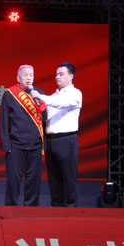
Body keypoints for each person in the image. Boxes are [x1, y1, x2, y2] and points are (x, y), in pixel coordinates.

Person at [31, 62, 82, 207]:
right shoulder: (54, 95)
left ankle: (71, 206)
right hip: (51, 140)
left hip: (66, 139)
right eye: (56, 74)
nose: (57, 77)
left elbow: (60, 103)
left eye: (61, 74)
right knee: (54, 176)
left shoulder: (75, 93)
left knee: (69, 175)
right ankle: (56, 206)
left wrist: (40, 96)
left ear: (70, 76)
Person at [0, 65, 46, 206]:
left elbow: (44, 120)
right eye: (25, 75)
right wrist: (6, 144)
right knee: (13, 180)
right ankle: (10, 207)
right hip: (16, 145)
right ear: (18, 78)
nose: (29, 78)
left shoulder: (38, 93)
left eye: (31, 75)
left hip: (35, 145)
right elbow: (3, 121)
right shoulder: (10, 95)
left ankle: (31, 208)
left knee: (34, 181)